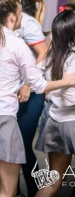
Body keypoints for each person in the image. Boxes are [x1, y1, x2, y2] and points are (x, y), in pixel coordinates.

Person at [0, 0, 75, 197]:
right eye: (21, 13)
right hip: (2, 119)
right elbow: (39, 86)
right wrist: (67, 81)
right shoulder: (17, 45)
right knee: (7, 190)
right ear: (12, 17)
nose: (23, 17)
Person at [10, 0, 48, 197]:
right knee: (16, 145)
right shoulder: (16, 18)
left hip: (32, 94)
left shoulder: (27, 20)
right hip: (20, 93)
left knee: (22, 145)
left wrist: (27, 83)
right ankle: (14, 191)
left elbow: (44, 52)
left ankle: (38, 190)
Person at [35, 10, 75, 197]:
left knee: (53, 181)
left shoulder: (52, 55)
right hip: (72, 122)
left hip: (55, 120)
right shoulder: (74, 57)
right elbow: (71, 98)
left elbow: (36, 76)